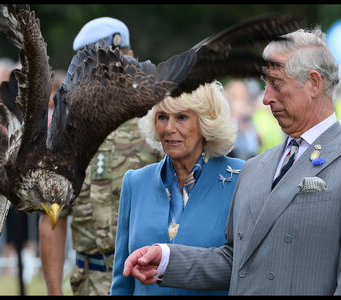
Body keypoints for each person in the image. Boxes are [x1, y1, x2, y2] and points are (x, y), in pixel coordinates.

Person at [123, 26, 341, 296]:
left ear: (313, 83)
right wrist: (167, 259)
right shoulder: (255, 168)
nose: (265, 98)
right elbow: (235, 262)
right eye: (265, 85)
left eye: (277, 84)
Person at [39, 17, 161, 295]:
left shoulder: (157, 116)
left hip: (148, 281)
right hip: (89, 281)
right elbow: (52, 219)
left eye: (119, 59)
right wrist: (54, 291)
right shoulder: (65, 130)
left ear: (132, 57)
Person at [111, 81, 245, 295]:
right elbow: (122, 279)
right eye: (162, 117)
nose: (169, 128)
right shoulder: (135, 182)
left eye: (181, 117)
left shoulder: (241, 178)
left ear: (206, 121)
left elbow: (247, 271)